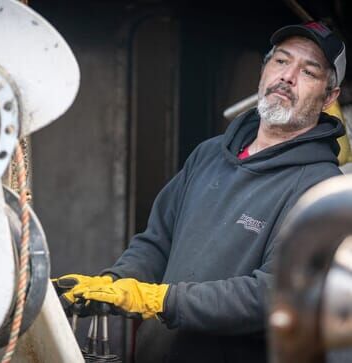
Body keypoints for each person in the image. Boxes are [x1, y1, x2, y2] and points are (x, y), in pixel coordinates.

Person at [54, 21, 347, 363]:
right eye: (281, 61)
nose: (288, 76)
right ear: (264, 69)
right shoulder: (208, 155)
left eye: (308, 71)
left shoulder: (321, 190)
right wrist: (116, 285)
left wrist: (161, 301)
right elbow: (156, 243)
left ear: (329, 97)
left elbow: (274, 294)